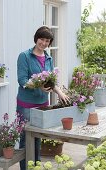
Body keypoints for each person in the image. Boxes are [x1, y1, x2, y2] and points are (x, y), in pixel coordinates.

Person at [16, 26, 69, 170]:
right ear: (36, 38)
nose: (44, 43)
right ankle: (25, 168)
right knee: (25, 138)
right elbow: (22, 81)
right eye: (42, 39)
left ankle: (36, 167)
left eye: (47, 40)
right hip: (26, 104)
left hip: (42, 103)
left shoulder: (48, 58)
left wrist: (59, 92)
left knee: (38, 137)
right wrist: (38, 85)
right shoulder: (25, 56)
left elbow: (50, 81)